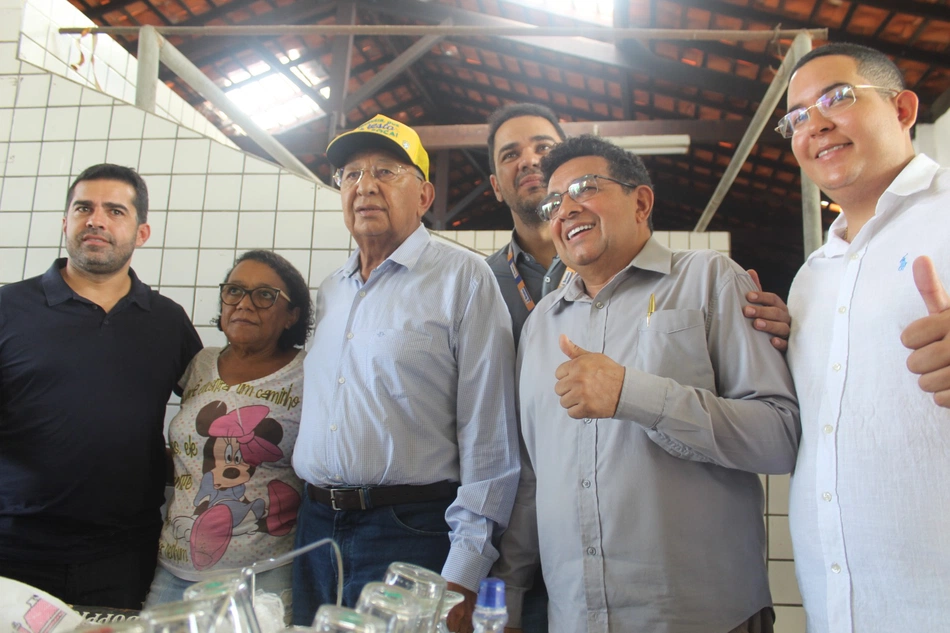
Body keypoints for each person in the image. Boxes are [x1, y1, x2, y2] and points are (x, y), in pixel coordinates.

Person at [495, 135, 801, 633]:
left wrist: (631, 395)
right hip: (576, 617)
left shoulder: (709, 281)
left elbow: (779, 438)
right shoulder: (540, 327)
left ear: (640, 202)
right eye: (553, 202)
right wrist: (507, 592)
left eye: (584, 188)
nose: (566, 209)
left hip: (701, 616)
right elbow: (533, 477)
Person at [291, 114, 519, 630]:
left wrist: (462, 574)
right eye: (350, 174)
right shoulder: (332, 289)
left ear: (424, 195)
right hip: (314, 529)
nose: (365, 186)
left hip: (408, 531)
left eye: (387, 171)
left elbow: (491, 443)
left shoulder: (463, 279)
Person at [764, 42, 950, 632]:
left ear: (902, 110)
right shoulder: (811, 277)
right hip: (839, 606)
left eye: (836, 98)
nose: (813, 124)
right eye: (795, 118)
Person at [0, 164, 203, 609]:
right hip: (14, 545)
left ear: (141, 231)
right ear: (66, 222)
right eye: (84, 208)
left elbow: (207, 412)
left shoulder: (167, 321)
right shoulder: (8, 307)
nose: (96, 220)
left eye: (115, 210)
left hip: (123, 551)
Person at [145, 250, 313, 616]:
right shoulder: (201, 363)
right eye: (234, 291)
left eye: (265, 295)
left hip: (262, 575)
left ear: (292, 316)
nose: (244, 304)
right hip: (174, 569)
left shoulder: (309, 371)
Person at [485, 103, 568, 345]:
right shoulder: (480, 282)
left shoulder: (609, 267)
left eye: (543, 147)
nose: (529, 161)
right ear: (496, 187)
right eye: (510, 155)